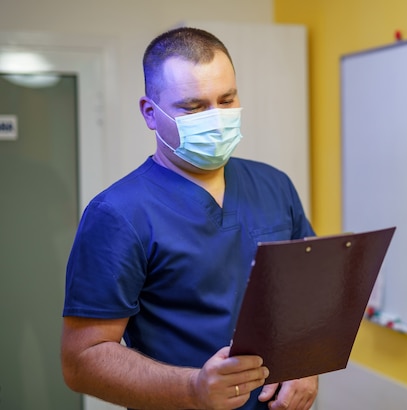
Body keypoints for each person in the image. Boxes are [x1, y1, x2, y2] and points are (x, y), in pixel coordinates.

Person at [61, 27, 318, 410]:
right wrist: (193, 388)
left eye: (227, 100)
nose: (216, 119)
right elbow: (82, 361)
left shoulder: (274, 185)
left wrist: (309, 364)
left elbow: (310, 294)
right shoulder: (118, 214)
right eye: (194, 107)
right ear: (151, 113)